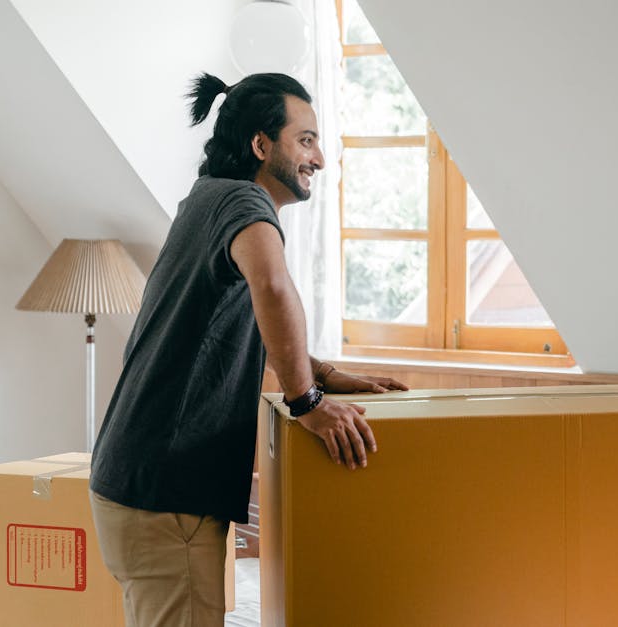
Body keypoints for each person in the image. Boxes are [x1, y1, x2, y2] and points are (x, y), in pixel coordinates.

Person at [88, 72, 407, 627]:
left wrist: (323, 372)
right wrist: (307, 402)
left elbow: (238, 323)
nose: (320, 158)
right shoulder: (244, 203)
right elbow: (274, 288)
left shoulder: (207, 198)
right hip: (166, 492)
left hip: (138, 481)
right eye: (305, 139)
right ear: (261, 145)